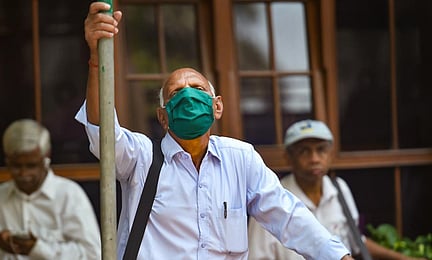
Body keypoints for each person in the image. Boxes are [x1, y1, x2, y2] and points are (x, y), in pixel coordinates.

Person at [75, 2, 354, 259]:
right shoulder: (141, 158)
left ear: (217, 107)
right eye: (176, 93)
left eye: (197, 90)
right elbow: (102, 131)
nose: (187, 96)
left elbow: (288, 216)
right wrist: (97, 57)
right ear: (163, 116)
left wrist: (339, 256)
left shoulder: (240, 159)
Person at [248, 119, 425, 260]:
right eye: (304, 151)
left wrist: (404, 258)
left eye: (321, 150)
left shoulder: (339, 188)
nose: (314, 158)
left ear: (331, 154)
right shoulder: (271, 198)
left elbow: (356, 243)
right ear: (288, 157)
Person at [0, 119, 101, 259]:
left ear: (46, 158)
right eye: (16, 166)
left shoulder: (69, 196)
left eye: (31, 166)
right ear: (7, 162)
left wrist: (39, 249)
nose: (23, 174)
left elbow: (93, 255)